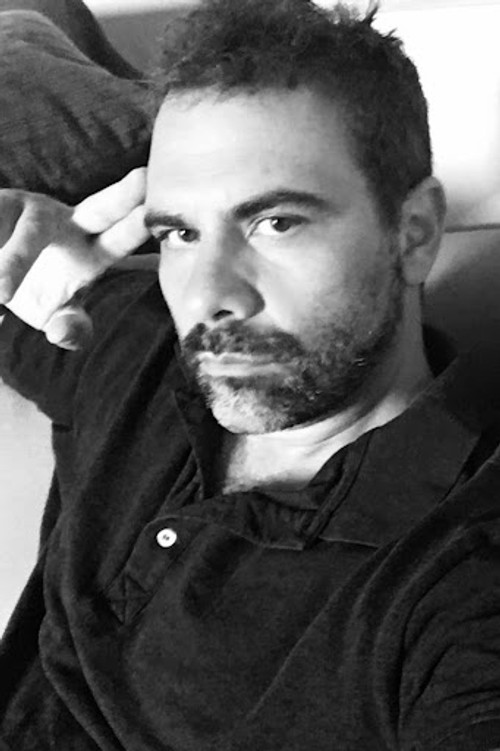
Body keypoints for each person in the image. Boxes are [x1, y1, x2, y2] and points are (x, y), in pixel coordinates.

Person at [1, 0, 500, 748]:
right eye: (180, 232)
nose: (208, 295)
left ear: (414, 232)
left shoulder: (462, 571)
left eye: (276, 223)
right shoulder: (130, 346)